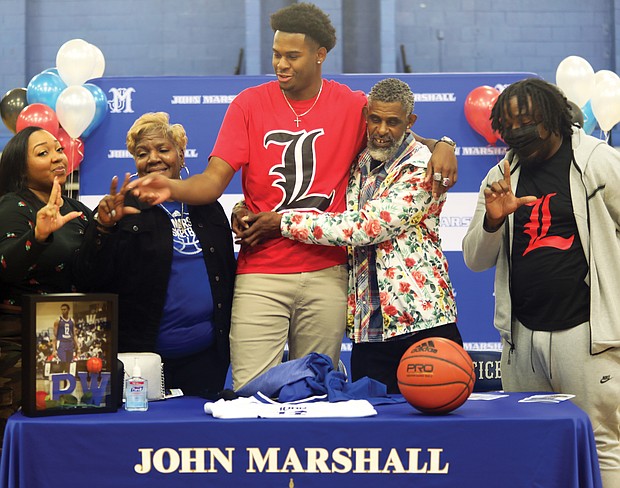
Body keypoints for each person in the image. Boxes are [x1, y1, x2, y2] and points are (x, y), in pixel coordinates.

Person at [128, 2, 458, 391]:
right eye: (275, 54)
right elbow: (213, 182)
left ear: (320, 55)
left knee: (316, 391)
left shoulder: (353, 105)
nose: (280, 64)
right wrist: (174, 188)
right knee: (251, 392)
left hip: (327, 273)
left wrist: (443, 144)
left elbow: (396, 134)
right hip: (261, 271)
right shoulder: (248, 104)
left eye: (291, 56)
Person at [235, 78, 460, 393]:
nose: (381, 130)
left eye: (393, 122)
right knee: (374, 429)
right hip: (370, 329)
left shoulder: (422, 167)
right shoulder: (360, 159)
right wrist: (248, 205)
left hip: (421, 320)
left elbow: (365, 227)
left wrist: (281, 222)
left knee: (438, 427)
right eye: (375, 119)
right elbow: (314, 189)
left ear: (410, 122)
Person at [462, 78, 620, 487]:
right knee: (529, 438)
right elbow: (475, 259)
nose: (518, 132)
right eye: (509, 125)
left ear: (552, 118)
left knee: (602, 442)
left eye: (528, 122)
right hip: (523, 337)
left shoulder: (596, 161)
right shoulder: (501, 175)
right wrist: (493, 219)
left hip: (587, 335)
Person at [75, 112, 236, 398]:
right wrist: (103, 229)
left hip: (207, 355)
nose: (153, 158)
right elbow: (92, 279)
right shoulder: (121, 209)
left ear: (181, 155)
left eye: (163, 149)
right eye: (142, 153)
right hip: (142, 359)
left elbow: (227, 273)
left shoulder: (206, 206)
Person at [0, 126, 90, 452]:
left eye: (58, 149)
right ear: (21, 170)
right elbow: (4, 266)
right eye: (43, 153)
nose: (57, 157)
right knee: (22, 446)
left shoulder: (75, 211)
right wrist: (36, 238)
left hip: (70, 344)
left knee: (64, 445)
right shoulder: (12, 207)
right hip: (19, 344)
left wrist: (108, 229)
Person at [52, 303, 79, 373]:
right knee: (62, 362)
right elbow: (54, 335)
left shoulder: (72, 321)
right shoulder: (58, 320)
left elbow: (74, 335)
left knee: (69, 363)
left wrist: (78, 346)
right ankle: (62, 378)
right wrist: (54, 349)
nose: (63, 311)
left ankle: (67, 380)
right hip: (61, 342)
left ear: (68, 310)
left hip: (70, 343)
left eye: (65, 309)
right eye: (62, 309)